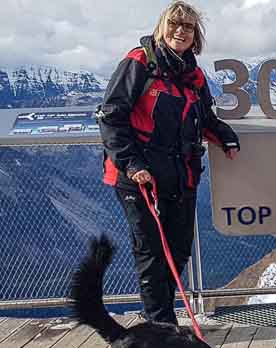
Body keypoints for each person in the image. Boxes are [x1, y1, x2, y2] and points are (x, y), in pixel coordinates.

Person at [97, 0, 240, 325]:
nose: (181, 31)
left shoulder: (194, 75)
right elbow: (111, 116)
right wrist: (132, 165)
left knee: (177, 252)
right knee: (150, 253)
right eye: (175, 24)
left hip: (180, 176)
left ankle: (160, 319)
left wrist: (225, 135)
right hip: (139, 178)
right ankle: (161, 326)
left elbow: (204, 117)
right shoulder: (139, 63)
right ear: (162, 27)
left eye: (188, 26)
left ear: (195, 35)